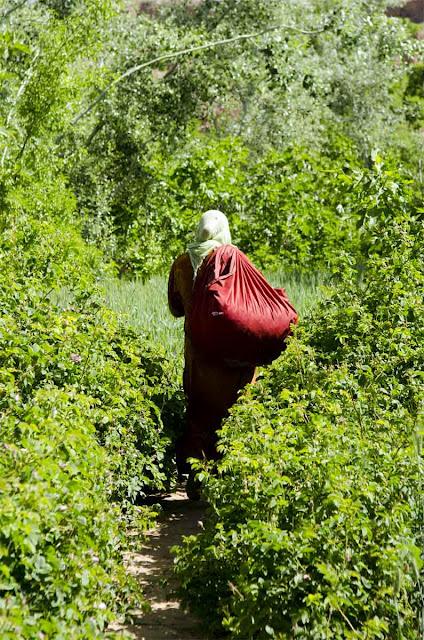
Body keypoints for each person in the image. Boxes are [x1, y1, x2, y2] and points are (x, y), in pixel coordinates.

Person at [168, 210, 257, 498]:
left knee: (199, 413)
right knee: (236, 413)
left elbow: (175, 309)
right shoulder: (237, 261)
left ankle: (197, 480)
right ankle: (232, 479)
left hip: (199, 357)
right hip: (236, 357)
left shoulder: (182, 264)